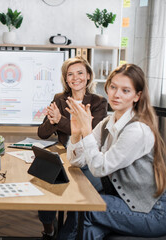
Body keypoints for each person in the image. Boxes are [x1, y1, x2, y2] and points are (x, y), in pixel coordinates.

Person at [59, 64, 166, 239]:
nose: (116, 95)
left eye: (125, 91)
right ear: (107, 88)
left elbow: (100, 168)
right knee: (89, 231)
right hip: (124, 204)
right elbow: (77, 161)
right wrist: (77, 133)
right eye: (113, 87)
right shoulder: (108, 123)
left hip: (152, 212)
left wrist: (86, 130)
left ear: (137, 96)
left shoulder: (137, 130)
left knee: (85, 208)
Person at [37, 57, 108, 240]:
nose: (75, 78)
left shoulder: (99, 102)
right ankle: (48, 228)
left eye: (80, 73)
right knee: (43, 182)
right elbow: (42, 133)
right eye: (70, 74)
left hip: (87, 159)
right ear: (65, 79)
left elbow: (88, 133)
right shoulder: (59, 99)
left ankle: (67, 235)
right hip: (63, 157)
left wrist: (60, 120)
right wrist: (53, 121)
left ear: (88, 76)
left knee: (80, 197)